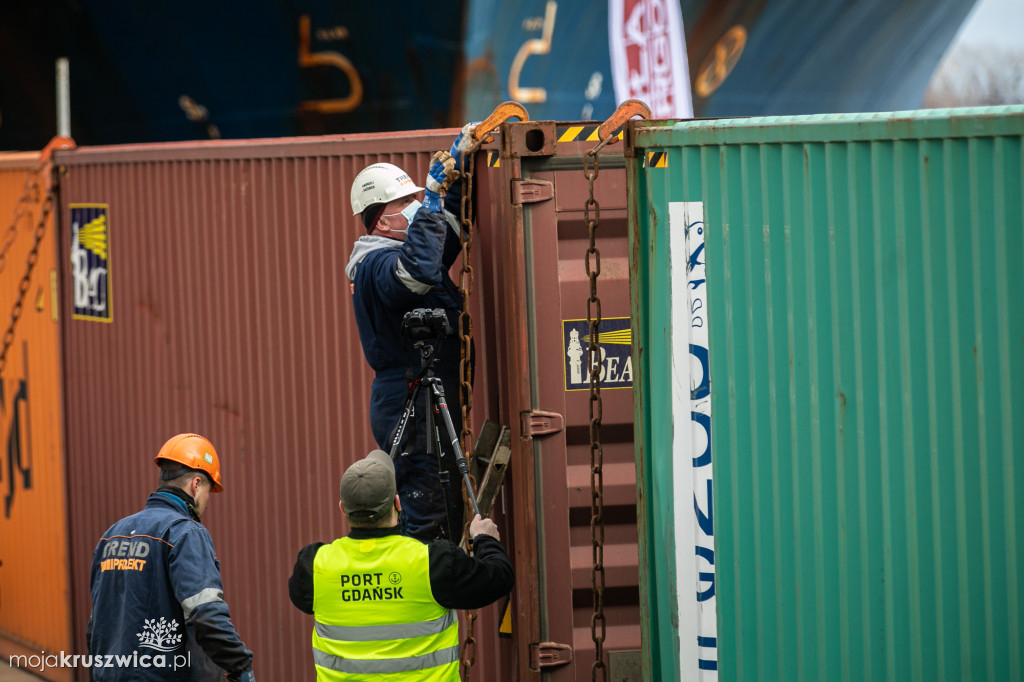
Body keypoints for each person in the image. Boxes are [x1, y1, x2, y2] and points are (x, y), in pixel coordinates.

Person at [345, 125, 478, 543]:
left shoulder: (405, 248)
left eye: (416, 199)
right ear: (381, 219)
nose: (416, 207)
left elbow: (446, 230)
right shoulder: (375, 265)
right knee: (429, 518)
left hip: (422, 395)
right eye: (406, 202)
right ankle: (427, 605)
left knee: (447, 510)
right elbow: (416, 275)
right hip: (409, 401)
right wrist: (434, 200)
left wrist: (461, 167)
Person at [288, 448, 513, 681]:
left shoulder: (313, 567)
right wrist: (484, 539)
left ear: (343, 509)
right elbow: (500, 577)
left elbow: (301, 598)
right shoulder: (432, 563)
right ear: (397, 503)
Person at [86, 433, 255, 682]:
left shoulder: (112, 535)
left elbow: (96, 623)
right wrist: (240, 665)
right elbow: (206, 616)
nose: (207, 502)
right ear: (196, 485)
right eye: (209, 491)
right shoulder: (185, 533)